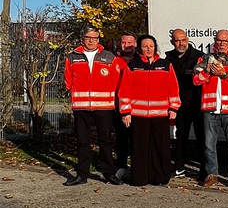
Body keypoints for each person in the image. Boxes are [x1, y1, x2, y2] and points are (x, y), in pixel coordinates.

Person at [63, 27, 123, 186]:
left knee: (105, 141)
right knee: (82, 141)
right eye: (88, 37)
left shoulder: (109, 57)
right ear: (82, 38)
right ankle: (82, 174)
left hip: (104, 107)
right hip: (81, 107)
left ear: (99, 39)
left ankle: (109, 174)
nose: (91, 40)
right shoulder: (72, 57)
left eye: (95, 37)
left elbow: (117, 81)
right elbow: (68, 80)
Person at [118, 35, 181, 186]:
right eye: (145, 46)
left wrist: (174, 107)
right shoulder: (132, 66)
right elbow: (124, 90)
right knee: (139, 148)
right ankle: (140, 178)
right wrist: (125, 112)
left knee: (160, 147)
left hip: (160, 114)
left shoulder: (166, 65)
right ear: (139, 48)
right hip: (138, 115)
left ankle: (159, 177)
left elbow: (173, 87)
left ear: (155, 47)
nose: (148, 49)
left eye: (151, 46)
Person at [193, 29, 228, 188]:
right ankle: (212, 174)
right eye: (219, 41)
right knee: (209, 144)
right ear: (215, 42)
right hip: (210, 109)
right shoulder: (204, 59)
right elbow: (196, 80)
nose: (222, 44)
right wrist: (208, 72)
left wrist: (224, 74)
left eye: (225, 41)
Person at [165, 28, 206, 180]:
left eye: (183, 39)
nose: (181, 43)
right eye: (177, 40)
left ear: (188, 40)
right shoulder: (168, 59)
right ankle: (179, 167)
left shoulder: (198, 57)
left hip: (197, 104)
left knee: (202, 139)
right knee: (180, 138)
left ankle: (204, 170)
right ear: (172, 42)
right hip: (179, 106)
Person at [113, 32, 137, 180]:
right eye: (123, 42)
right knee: (121, 139)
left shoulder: (141, 61)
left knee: (137, 139)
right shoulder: (113, 61)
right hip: (119, 106)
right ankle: (121, 167)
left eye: (129, 42)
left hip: (138, 106)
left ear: (135, 44)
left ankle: (136, 167)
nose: (126, 45)